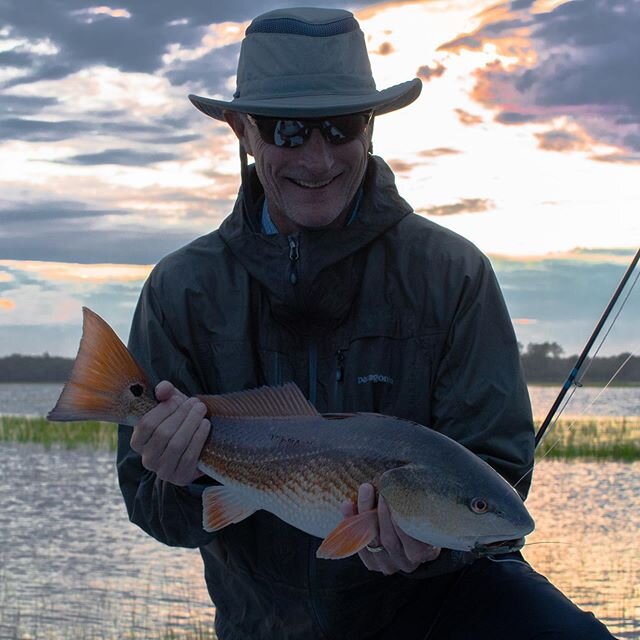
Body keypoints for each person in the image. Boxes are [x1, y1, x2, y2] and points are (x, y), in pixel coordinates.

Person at [117, 7, 615, 639]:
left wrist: (438, 549)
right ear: (244, 131)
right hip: (263, 625)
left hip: (440, 611)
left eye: (340, 126)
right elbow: (157, 510)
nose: (319, 158)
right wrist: (178, 474)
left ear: (371, 128)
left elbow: (495, 481)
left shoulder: (454, 274)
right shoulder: (181, 290)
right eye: (288, 131)